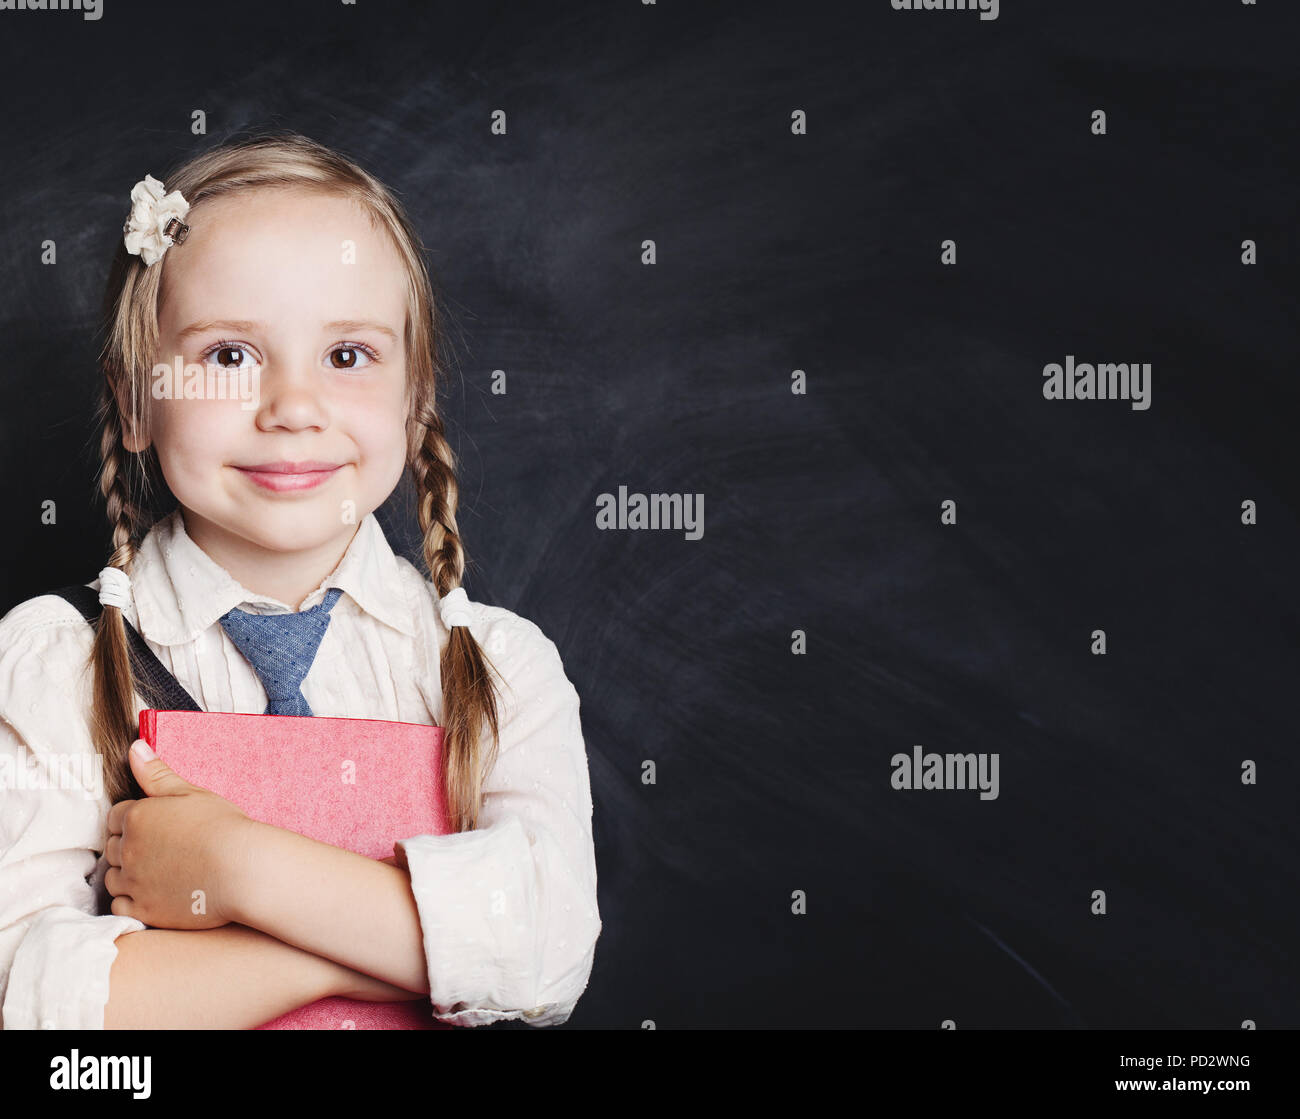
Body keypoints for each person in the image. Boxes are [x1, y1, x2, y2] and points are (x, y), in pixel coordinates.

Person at [0, 131, 601, 1030]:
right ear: (135, 400)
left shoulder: (497, 672)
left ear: (415, 397)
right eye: (229, 355)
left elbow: (548, 951)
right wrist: (397, 946)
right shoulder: (57, 670)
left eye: (347, 355)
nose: (293, 407)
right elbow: (39, 1007)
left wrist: (238, 867)